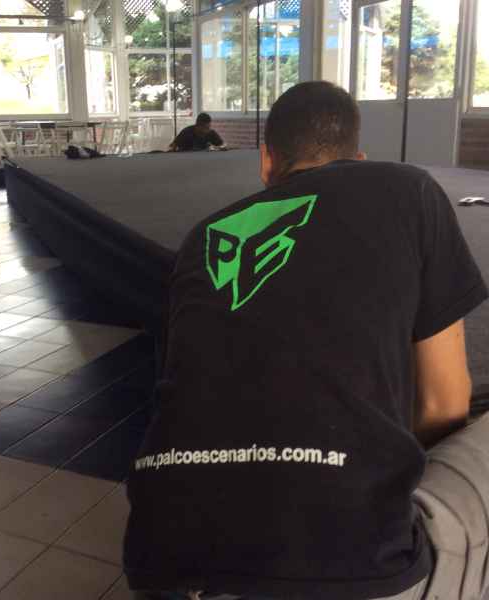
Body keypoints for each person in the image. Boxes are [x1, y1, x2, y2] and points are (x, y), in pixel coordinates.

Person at [123, 81, 489, 600]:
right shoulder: (408, 189)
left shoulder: (203, 236)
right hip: (355, 568)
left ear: (266, 161)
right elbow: (444, 404)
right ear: (358, 160)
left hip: (159, 563)